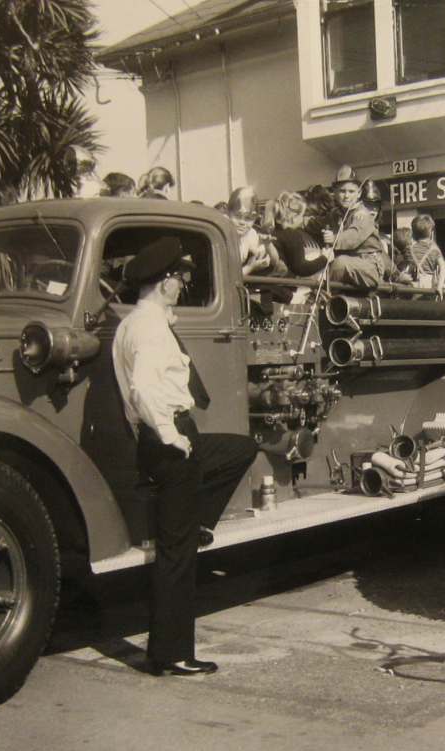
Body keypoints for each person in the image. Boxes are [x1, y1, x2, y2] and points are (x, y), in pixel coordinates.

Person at [113, 237, 258, 676]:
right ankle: (172, 654)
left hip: (164, 436)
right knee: (177, 558)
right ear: (163, 282)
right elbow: (143, 387)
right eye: (179, 277)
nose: (183, 285)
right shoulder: (151, 327)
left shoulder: (130, 325)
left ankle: (198, 523)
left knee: (239, 449)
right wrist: (169, 434)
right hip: (170, 437)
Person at [323, 166, 389, 289]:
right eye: (342, 191)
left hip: (369, 266)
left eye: (351, 191)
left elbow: (352, 237)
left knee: (340, 263)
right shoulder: (335, 214)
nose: (346, 196)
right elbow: (315, 223)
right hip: (352, 267)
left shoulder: (362, 215)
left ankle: (321, 295)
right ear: (335, 193)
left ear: (359, 193)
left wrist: (333, 239)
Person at [262, 191, 333, 280]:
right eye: (302, 216)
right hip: (283, 285)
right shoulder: (292, 235)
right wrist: (325, 258)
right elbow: (301, 268)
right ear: (294, 217)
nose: (303, 219)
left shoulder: (271, 231)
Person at [228, 186, 271, 276]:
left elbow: (260, 254)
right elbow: (225, 279)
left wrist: (262, 255)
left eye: (248, 218)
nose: (242, 222)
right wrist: (250, 268)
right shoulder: (222, 235)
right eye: (238, 216)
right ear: (229, 213)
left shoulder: (251, 233)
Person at [406, 214, 445, 292]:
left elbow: (408, 266)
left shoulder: (409, 249)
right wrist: (439, 286)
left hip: (412, 284)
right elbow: (443, 268)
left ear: (413, 232)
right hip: (428, 283)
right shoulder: (434, 249)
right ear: (431, 232)